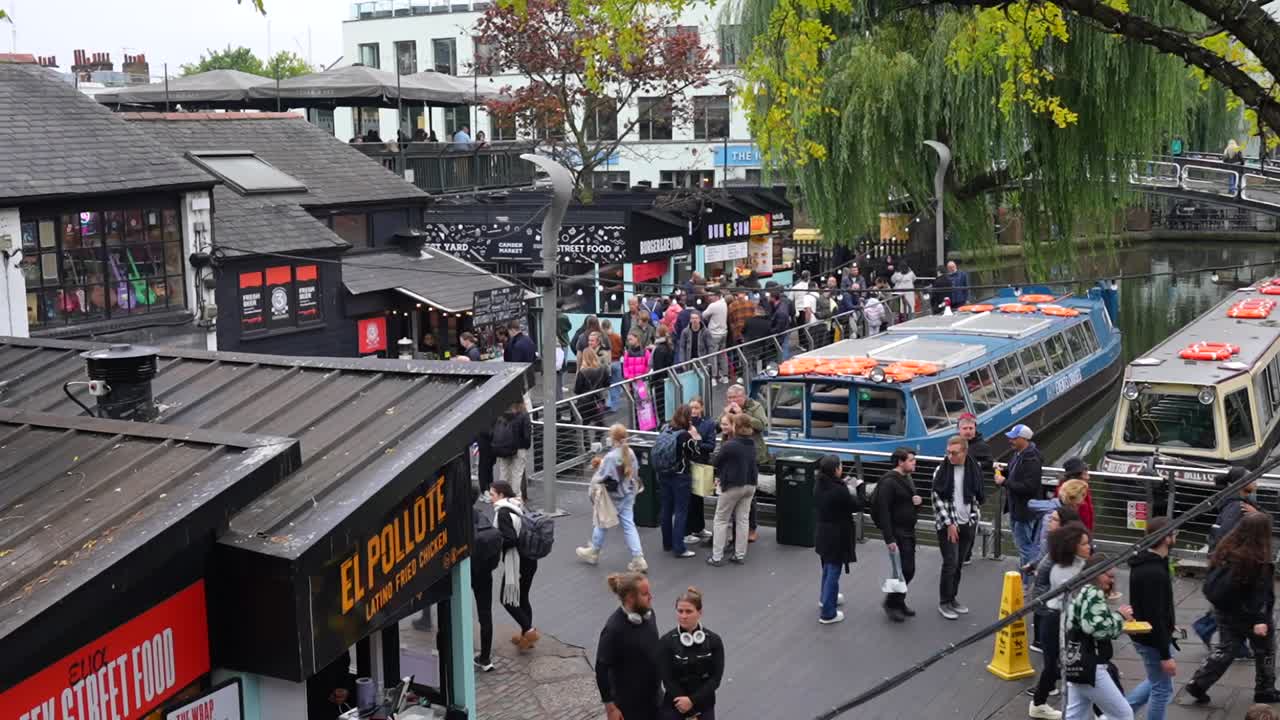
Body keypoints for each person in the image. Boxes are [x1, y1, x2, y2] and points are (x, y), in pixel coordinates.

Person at [1186, 512, 1280, 705]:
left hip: (1225, 610)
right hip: (1251, 615)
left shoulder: (1226, 548)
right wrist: (1261, 620)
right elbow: (1260, 593)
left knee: (1228, 648)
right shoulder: (1258, 558)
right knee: (1266, 650)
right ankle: (1265, 689)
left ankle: (1199, 682)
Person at [1062, 553, 1134, 720]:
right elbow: (1097, 628)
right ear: (1097, 573)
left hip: (1075, 662)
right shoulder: (1093, 592)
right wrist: (1120, 617)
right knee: (1123, 714)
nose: (1112, 581)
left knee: (1074, 715)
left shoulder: (1081, 590)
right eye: (1109, 576)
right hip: (1092, 666)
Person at [1026, 507, 1082, 716]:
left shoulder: (1063, 555)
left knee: (1056, 661)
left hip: (1052, 611)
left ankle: (1043, 698)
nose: (1050, 523)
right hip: (1049, 611)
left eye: (1055, 520)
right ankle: (1043, 698)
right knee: (1056, 661)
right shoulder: (1057, 551)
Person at [1195, 466, 1258, 651]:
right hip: (1234, 563)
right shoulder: (1238, 507)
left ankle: (1210, 630)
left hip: (1233, 562)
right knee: (1236, 604)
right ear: (1240, 483)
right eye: (1252, 478)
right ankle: (1234, 645)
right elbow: (1225, 536)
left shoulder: (1243, 503)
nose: (1256, 481)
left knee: (1230, 603)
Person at [577, 424, 649, 573]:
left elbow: (603, 476)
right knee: (629, 525)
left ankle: (594, 552)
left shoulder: (610, 457)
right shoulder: (630, 452)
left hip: (612, 497)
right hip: (628, 493)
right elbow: (634, 472)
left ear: (613, 438)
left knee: (601, 522)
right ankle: (638, 558)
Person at [1125, 517, 1177, 720]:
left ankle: (1119, 713)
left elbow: (1157, 607)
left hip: (1147, 635)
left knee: (1158, 682)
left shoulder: (1150, 563)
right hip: (1152, 639)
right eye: (1174, 534)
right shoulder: (1154, 572)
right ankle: (1117, 714)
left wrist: (1170, 622)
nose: (1176, 537)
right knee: (1162, 689)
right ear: (1166, 538)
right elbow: (1154, 615)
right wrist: (1165, 655)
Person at [596, 572, 662, 720]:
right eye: (645, 594)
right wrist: (610, 708)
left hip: (655, 698)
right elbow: (601, 669)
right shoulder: (614, 630)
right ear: (630, 598)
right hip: (630, 707)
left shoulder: (648, 614)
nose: (650, 597)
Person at [932, 435, 984, 620]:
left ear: (964, 452)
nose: (950, 457)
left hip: (967, 523)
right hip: (949, 525)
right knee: (950, 563)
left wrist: (973, 518)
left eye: (954, 453)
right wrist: (949, 524)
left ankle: (953, 598)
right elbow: (937, 500)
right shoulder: (941, 470)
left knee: (959, 564)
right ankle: (944, 602)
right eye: (948, 453)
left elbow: (976, 495)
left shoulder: (974, 468)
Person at [657, 587, 725, 720]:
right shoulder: (666, 641)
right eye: (680, 611)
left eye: (688, 611)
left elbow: (715, 679)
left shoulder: (714, 640)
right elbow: (667, 678)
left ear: (699, 612)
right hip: (675, 707)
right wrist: (684, 703)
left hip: (704, 706)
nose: (683, 616)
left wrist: (692, 701)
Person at [492, 481, 540, 651]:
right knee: (523, 597)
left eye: (492, 494)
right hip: (530, 560)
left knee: (507, 600)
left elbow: (511, 539)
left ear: (501, 494)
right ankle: (525, 638)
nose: (490, 498)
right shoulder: (518, 504)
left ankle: (529, 631)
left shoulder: (504, 512)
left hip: (517, 562)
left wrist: (495, 542)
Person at [874, 447, 920, 622]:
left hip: (908, 529)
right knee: (903, 569)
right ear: (900, 462)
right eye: (911, 460)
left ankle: (898, 601)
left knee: (907, 569)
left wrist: (917, 503)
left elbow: (908, 503)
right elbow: (883, 510)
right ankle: (891, 602)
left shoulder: (906, 478)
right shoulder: (888, 482)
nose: (914, 463)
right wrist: (889, 538)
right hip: (898, 532)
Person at [815, 454, 861, 624]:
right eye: (840, 466)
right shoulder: (839, 490)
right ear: (835, 469)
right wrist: (857, 488)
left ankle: (826, 597)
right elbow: (856, 505)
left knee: (827, 566)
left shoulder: (820, 484)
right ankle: (828, 612)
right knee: (834, 569)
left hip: (823, 531)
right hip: (838, 534)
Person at [707, 414, 758, 566]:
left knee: (721, 519)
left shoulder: (730, 445)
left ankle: (716, 557)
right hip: (750, 484)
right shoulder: (751, 443)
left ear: (736, 427)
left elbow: (715, 461)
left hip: (732, 485)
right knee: (743, 520)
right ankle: (739, 554)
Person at [997, 424, 1044, 582]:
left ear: (1024, 439)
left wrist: (1004, 482)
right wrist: (1004, 472)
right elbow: (1015, 473)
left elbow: (1029, 487)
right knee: (1026, 545)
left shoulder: (1031, 459)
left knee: (1025, 547)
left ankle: (1027, 581)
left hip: (1024, 511)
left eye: (1014, 437)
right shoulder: (1019, 454)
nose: (1010, 440)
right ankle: (1028, 573)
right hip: (1017, 508)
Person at [725, 384, 768, 542]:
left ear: (742, 397)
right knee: (731, 492)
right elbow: (719, 425)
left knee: (750, 494)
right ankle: (734, 528)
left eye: (735, 398)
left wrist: (742, 415)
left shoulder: (755, 406)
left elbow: (762, 425)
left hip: (751, 456)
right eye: (729, 398)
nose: (732, 401)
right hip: (733, 455)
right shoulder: (728, 408)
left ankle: (752, 528)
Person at [658, 405, 702, 560]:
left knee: (666, 510)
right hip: (681, 476)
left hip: (663, 474)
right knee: (681, 511)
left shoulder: (665, 428)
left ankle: (667, 543)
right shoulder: (685, 436)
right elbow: (696, 454)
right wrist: (696, 437)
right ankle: (679, 548)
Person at [470, 485, 503, 672]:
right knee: (485, 615)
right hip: (484, 573)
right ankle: (485, 657)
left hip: (466, 572)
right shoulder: (481, 516)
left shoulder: (457, 517)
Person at [957, 414, 992, 565]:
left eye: (971, 428)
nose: (968, 431)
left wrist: (976, 465)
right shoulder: (955, 443)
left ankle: (966, 555)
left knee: (970, 524)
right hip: (956, 489)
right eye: (965, 428)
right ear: (959, 429)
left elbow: (989, 462)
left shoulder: (982, 446)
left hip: (971, 491)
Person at [684, 398, 718, 545]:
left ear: (702, 408)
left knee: (699, 498)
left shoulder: (709, 423)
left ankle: (699, 528)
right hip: (687, 464)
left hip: (702, 463)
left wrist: (696, 441)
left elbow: (710, 445)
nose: (694, 411)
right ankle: (687, 530)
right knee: (688, 499)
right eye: (691, 408)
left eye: (697, 408)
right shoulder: (684, 422)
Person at [491, 401, 533, 499]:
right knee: (517, 474)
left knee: (504, 473)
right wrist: (526, 446)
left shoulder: (502, 414)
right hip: (519, 448)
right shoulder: (523, 415)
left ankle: (502, 497)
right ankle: (515, 499)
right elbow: (527, 435)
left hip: (504, 448)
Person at [574, 349, 611, 426]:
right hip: (598, 400)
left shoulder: (582, 372)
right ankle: (597, 438)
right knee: (599, 423)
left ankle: (586, 438)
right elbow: (607, 384)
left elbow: (577, 390)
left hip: (585, 402)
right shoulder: (603, 369)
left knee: (584, 424)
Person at [703, 291, 729, 384]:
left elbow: (703, 315)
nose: (710, 297)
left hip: (714, 334)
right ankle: (725, 376)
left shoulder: (713, 306)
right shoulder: (724, 303)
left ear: (716, 296)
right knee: (723, 355)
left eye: (711, 295)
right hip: (724, 333)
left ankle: (713, 378)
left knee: (712, 356)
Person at [650, 325, 676, 422]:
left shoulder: (659, 349)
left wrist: (652, 381)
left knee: (660, 403)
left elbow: (658, 367)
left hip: (659, 380)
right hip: (667, 377)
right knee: (667, 402)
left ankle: (662, 422)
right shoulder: (669, 346)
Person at [603, 319, 624, 411]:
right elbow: (621, 348)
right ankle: (614, 406)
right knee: (616, 384)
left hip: (606, 364)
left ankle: (608, 403)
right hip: (616, 362)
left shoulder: (602, 338)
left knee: (608, 384)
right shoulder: (616, 337)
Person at [769, 291, 793, 359]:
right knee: (785, 347)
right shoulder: (782, 305)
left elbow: (779, 327)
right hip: (785, 330)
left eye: (769, 297)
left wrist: (770, 331)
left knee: (784, 348)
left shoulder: (780, 311)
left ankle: (784, 364)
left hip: (782, 332)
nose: (768, 298)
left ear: (773, 298)